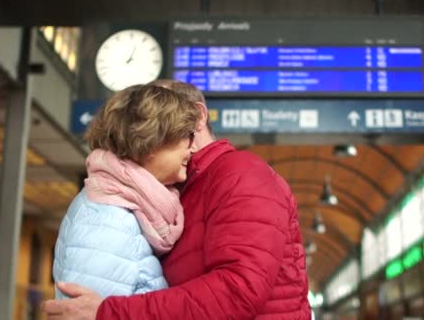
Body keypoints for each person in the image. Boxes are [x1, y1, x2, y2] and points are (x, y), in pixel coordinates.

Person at [43, 80, 311, 319]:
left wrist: (111, 313)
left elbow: (238, 290)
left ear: (197, 118)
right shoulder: (158, 196)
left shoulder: (240, 175)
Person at [52, 83, 199, 298]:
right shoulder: (106, 218)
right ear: (152, 141)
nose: (192, 148)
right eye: (186, 135)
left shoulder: (127, 205)